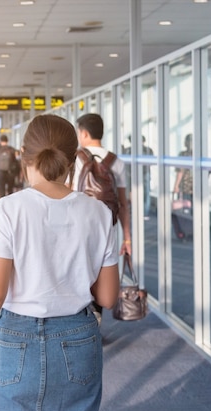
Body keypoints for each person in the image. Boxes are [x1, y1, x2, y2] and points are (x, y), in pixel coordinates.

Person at [0, 115, 120, 411]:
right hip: (80, 336)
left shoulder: (7, 211)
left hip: (18, 339)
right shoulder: (100, 213)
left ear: (24, 155)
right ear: (72, 160)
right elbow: (106, 298)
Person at [72, 113, 131, 324]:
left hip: (77, 225)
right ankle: (95, 318)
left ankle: (81, 316)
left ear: (84, 133)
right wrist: (127, 237)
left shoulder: (75, 158)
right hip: (107, 226)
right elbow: (123, 203)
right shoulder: (116, 162)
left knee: (79, 269)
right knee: (101, 270)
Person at [173, 133, 193, 203]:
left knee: (185, 208)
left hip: (185, 188)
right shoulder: (199, 154)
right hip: (197, 188)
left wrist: (176, 186)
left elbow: (180, 172)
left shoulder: (183, 155)